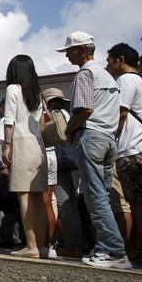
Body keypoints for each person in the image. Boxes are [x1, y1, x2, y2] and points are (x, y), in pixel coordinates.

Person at [58, 31, 131, 268]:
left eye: (69, 50)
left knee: (94, 195)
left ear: (81, 50)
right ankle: (105, 248)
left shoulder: (85, 74)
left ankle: (114, 251)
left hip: (91, 136)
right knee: (105, 196)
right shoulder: (108, 75)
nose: (68, 55)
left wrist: (68, 130)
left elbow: (84, 110)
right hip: (109, 138)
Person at [1, 55, 52, 259]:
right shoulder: (37, 92)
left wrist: (6, 146)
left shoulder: (13, 89)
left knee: (24, 196)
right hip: (38, 145)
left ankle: (30, 245)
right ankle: (41, 245)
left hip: (21, 142)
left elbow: (9, 121)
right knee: (38, 197)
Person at [106, 42, 142, 260]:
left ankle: (127, 253)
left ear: (120, 60)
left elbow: (119, 113)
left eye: (110, 60)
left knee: (135, 205)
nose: (108, 65)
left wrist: (110, 137)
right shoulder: (140, 80)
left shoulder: (126, 80)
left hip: (131, 149)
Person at [42, 88, 81, 257]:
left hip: (61, 163)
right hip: (74, 160)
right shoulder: (68, 113)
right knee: (73, 203)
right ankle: (77, 242)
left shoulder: (55, 114)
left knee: (64, 204)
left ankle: (72, 244)